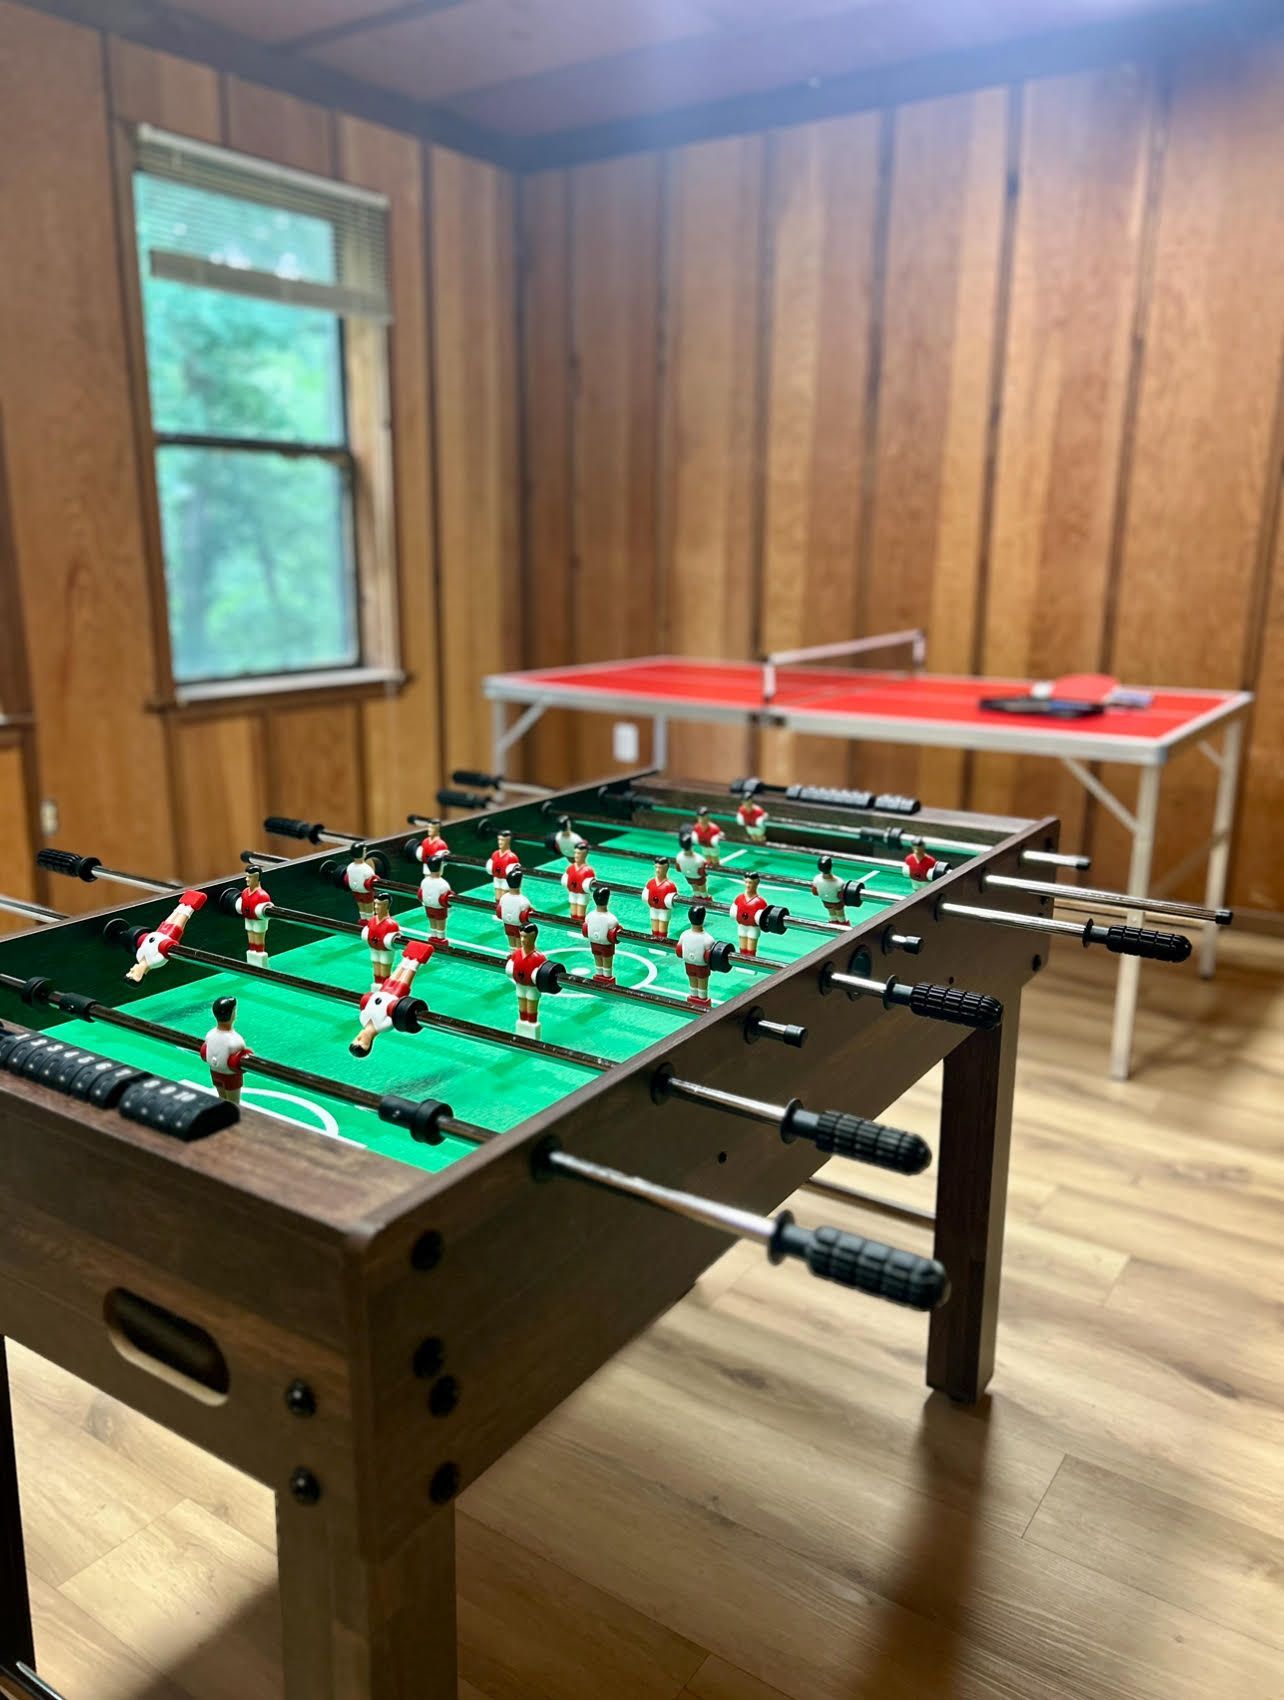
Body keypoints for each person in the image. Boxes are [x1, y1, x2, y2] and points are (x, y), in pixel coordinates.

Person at [200, 996, 251, 1104]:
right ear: (232, 1014)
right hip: (230, 1075)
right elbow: (243, 1056)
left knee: (222, 1099)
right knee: (233, 1103)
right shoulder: (236, 1041)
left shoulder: (209, 1035)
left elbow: (205, 1052)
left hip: (215, 1072)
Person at [583, 883, 622, 985]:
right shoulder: (611, 919)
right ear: (607, 900)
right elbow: (617, 932)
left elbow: (585, 928)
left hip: (594, 943)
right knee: (606, 961)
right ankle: (607, 978)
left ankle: (599, 975)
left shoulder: (589, 916)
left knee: (598, 960)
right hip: (606, 945)